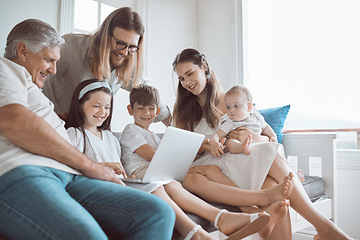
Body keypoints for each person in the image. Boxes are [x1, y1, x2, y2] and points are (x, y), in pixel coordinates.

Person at [0, 18, 175, 240]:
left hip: (69, 175)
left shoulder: (34, 91)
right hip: (24, 171)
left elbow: (142, 90)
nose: (54, 70)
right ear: (23, 51)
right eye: (48, 60)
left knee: (158, 213)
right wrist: (90, 166)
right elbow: (15, 121)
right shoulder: (5, 70)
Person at [172, 48, 351, 240]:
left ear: (204, 67)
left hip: (240, 160)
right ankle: (324, 226)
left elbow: (263, 133)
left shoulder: (231, 101)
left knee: (276, 190)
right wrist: (208, 144)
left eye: (190, 74)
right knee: (272, 185)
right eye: (181, 79)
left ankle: (322, 226)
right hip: (214, 166)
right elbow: (181, 151)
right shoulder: (182, 111)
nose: (186, 82)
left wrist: (257, 138)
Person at [65, 81, 270, 240]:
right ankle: (216, 220)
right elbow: (68, 166)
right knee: (162, 183)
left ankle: (234, 210)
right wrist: (101, 167)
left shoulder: (111, 137)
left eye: (107, 107)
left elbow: (138, 163)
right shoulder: (75, 134)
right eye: (96, 106)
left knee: (181, 178)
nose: (102, 112)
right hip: (115, 182)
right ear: (81, 105)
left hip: (128, 181)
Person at [42, 7, 171, 125]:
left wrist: (172, 123)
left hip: (85, 131)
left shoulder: (127, 61)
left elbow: (146, 93)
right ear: (106, 35)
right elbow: (33, 77)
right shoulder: (70, 46)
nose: (125, 52)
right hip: (48, 122)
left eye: (132, 47)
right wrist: (51, 115)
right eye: (120, 43)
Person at [209, 85, 277, 157]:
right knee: (229, 143)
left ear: (249, 107)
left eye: (236, 106)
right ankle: (241, 147)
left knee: (273, 149)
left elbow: (266, 127)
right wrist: (214, 142)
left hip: (258, 146)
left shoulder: (256, 117)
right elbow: (217, 134)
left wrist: (273, 136)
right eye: (228, 107)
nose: (231, 110)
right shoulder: (230, 122)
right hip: (239, 150)